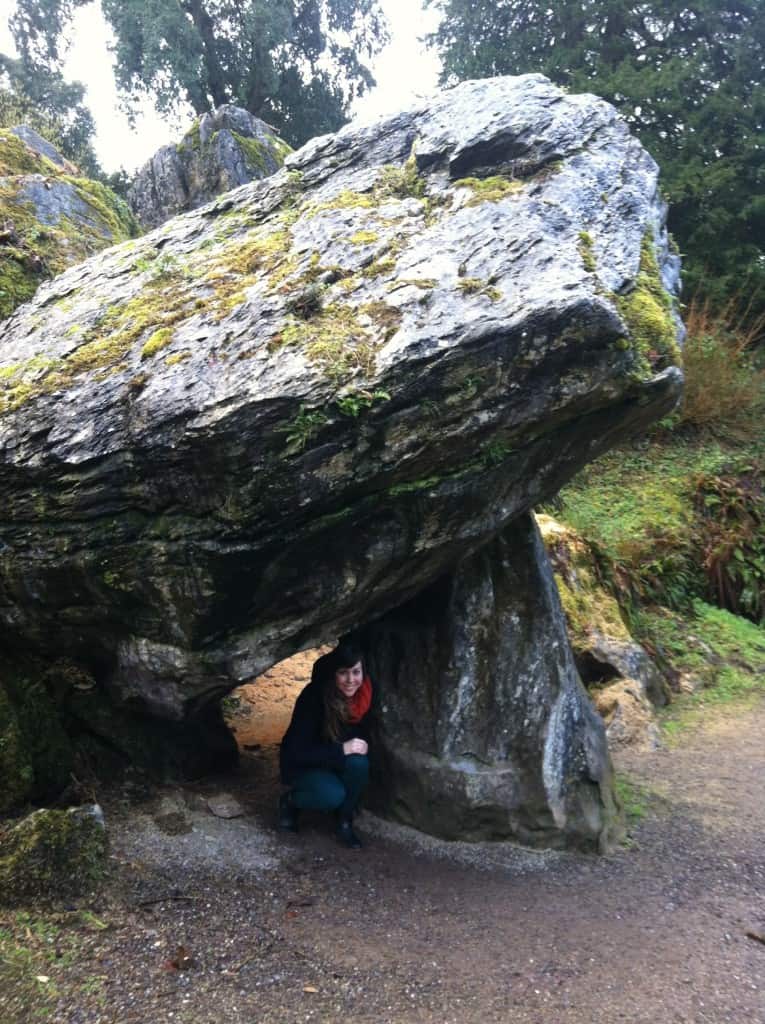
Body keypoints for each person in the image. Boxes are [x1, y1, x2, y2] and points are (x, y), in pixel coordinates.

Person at [278, 641, 372, 849]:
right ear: (333, 674)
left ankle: (344, 821)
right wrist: (342, 750)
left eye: (356, 672)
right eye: (343, 673)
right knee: (331, 795)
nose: (350, 680)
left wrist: (359, 748)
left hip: (334, 762)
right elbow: (296, 752)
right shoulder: (314, 698)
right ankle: (291, 802)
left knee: (360, 764)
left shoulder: (364, 697)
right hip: (306, 764)